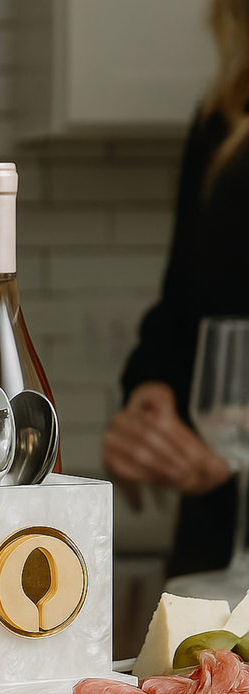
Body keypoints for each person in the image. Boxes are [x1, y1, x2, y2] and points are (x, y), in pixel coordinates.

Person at [102, 0, 249, 578]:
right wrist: (151, 392)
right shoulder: (224, 118)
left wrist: (234, 450)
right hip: (214, 543)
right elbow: (181, 313)